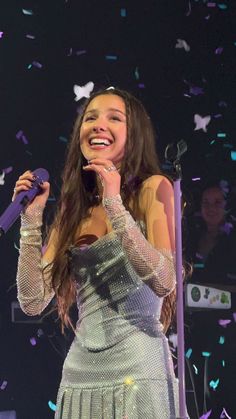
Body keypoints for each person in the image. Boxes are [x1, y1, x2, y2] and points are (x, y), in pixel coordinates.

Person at [13, 88, 180, 418]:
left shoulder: (154, 188)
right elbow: (33, 300)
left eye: (114, 118)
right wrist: (31, 221)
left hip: (138, 368)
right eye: (90, 118)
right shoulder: (73, 210)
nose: (99, 125)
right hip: (80, 374)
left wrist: (114, 203)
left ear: (133, 136)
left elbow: (164, 281)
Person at [185, 182, 236, 417]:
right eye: (206, 203)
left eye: (217, 202)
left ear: (227, 205)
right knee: (197, 386)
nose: (211, 208)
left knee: (224, 387)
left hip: (227, 330)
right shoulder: (192, 237)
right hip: (196, 327)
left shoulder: (232, 239)